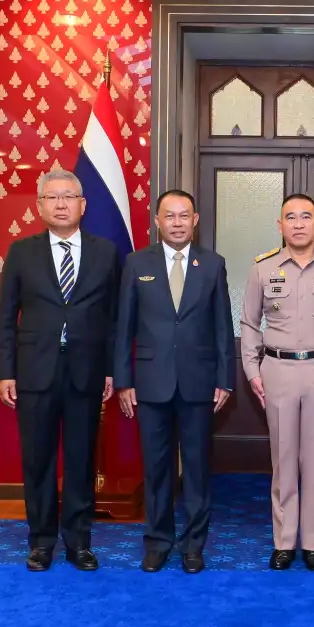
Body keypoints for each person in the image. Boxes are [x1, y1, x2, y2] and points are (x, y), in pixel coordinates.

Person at [0, 169, 121, 572]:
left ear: (83, 205)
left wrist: (111, 370)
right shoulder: (21, 252)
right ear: (40, 206)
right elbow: (5, 317)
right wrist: (5, 371)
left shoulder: (106, 253)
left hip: (87, 371)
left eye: (68, 197)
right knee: (38, 460)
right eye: (52, 197)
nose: (61, 204)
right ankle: (41, 542)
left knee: (82, 461)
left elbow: (114, 319)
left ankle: (79, 543)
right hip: (35, 372)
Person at [114, 189, 235, 575]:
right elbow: (124, 326)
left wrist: (225, 379)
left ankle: (194, 545)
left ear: (195, 220)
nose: (177, 223)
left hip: (199, 383)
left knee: (197, 469)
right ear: (157, 221)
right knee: (157, 468)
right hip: (150, 383)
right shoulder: (137, 263)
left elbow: (222, 326)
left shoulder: (213, 264)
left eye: (184, 216)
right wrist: (123, 380)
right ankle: (158, 542)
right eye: (170, 216)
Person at [239, 194, 314, 571]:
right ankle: (283, 542)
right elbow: (249, 322)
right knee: (283, 458)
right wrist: (252, 371)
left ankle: (312, 542)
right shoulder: (263, 268)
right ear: (280, 226)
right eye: (290, 217)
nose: (298, 224)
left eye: (305, 217)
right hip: (278, 370)